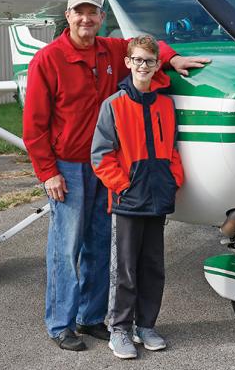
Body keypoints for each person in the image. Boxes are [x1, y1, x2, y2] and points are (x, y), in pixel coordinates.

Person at [22, 0, 208, 351]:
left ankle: (91, 318)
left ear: (101, 18)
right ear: (68, 16)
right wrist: (48, 172)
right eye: (80, 11)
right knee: (66, 247)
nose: (86, 18)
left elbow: (143, 46)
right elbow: (33, 126)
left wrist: (171, 60)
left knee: (98, 244)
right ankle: (60, 324)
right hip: (69, 166)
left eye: (93, 12)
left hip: (106, 166)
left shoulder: (111, 49)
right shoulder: (47, 59)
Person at [91, 35, 184, 359]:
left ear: (158, 65)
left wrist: (173, 180)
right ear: (128, 62)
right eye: (138, 60)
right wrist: (123, 186)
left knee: (153, 267)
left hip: (158, 198)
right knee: (125, 269)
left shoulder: (166, 104)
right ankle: (119, 329)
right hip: (129, 200)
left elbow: (172, 149)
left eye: (149, 61)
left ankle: (146, 326)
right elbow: (101, 156)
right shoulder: (113, 105)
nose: (143, 66)